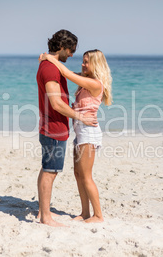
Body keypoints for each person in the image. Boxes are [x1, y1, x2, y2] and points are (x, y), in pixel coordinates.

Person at [39, 49, 113, 223]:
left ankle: (98, 215)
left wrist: (49, 58)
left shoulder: (95, 84)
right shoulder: (87, 79)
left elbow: (65, 72)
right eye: (83, 61)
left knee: (86, 175)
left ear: (96, 64)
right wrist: (47, 61)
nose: (83, 64)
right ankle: (85, 213)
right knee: (78, 174)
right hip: (80, 132)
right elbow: (67, 73)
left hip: (89, 133)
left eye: (87, 62)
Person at [36, 30, 97, 227]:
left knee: (48, 169)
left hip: (53, 126)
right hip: (54, 127)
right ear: (62, 47)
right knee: (50, 171)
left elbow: (70, 75)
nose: (72, 55)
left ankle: (43, 213)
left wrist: (48, 58)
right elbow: (56, 104)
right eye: (70, 50)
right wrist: (81, 117)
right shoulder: (51, 69)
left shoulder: (51, 66)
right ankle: (45, 217)